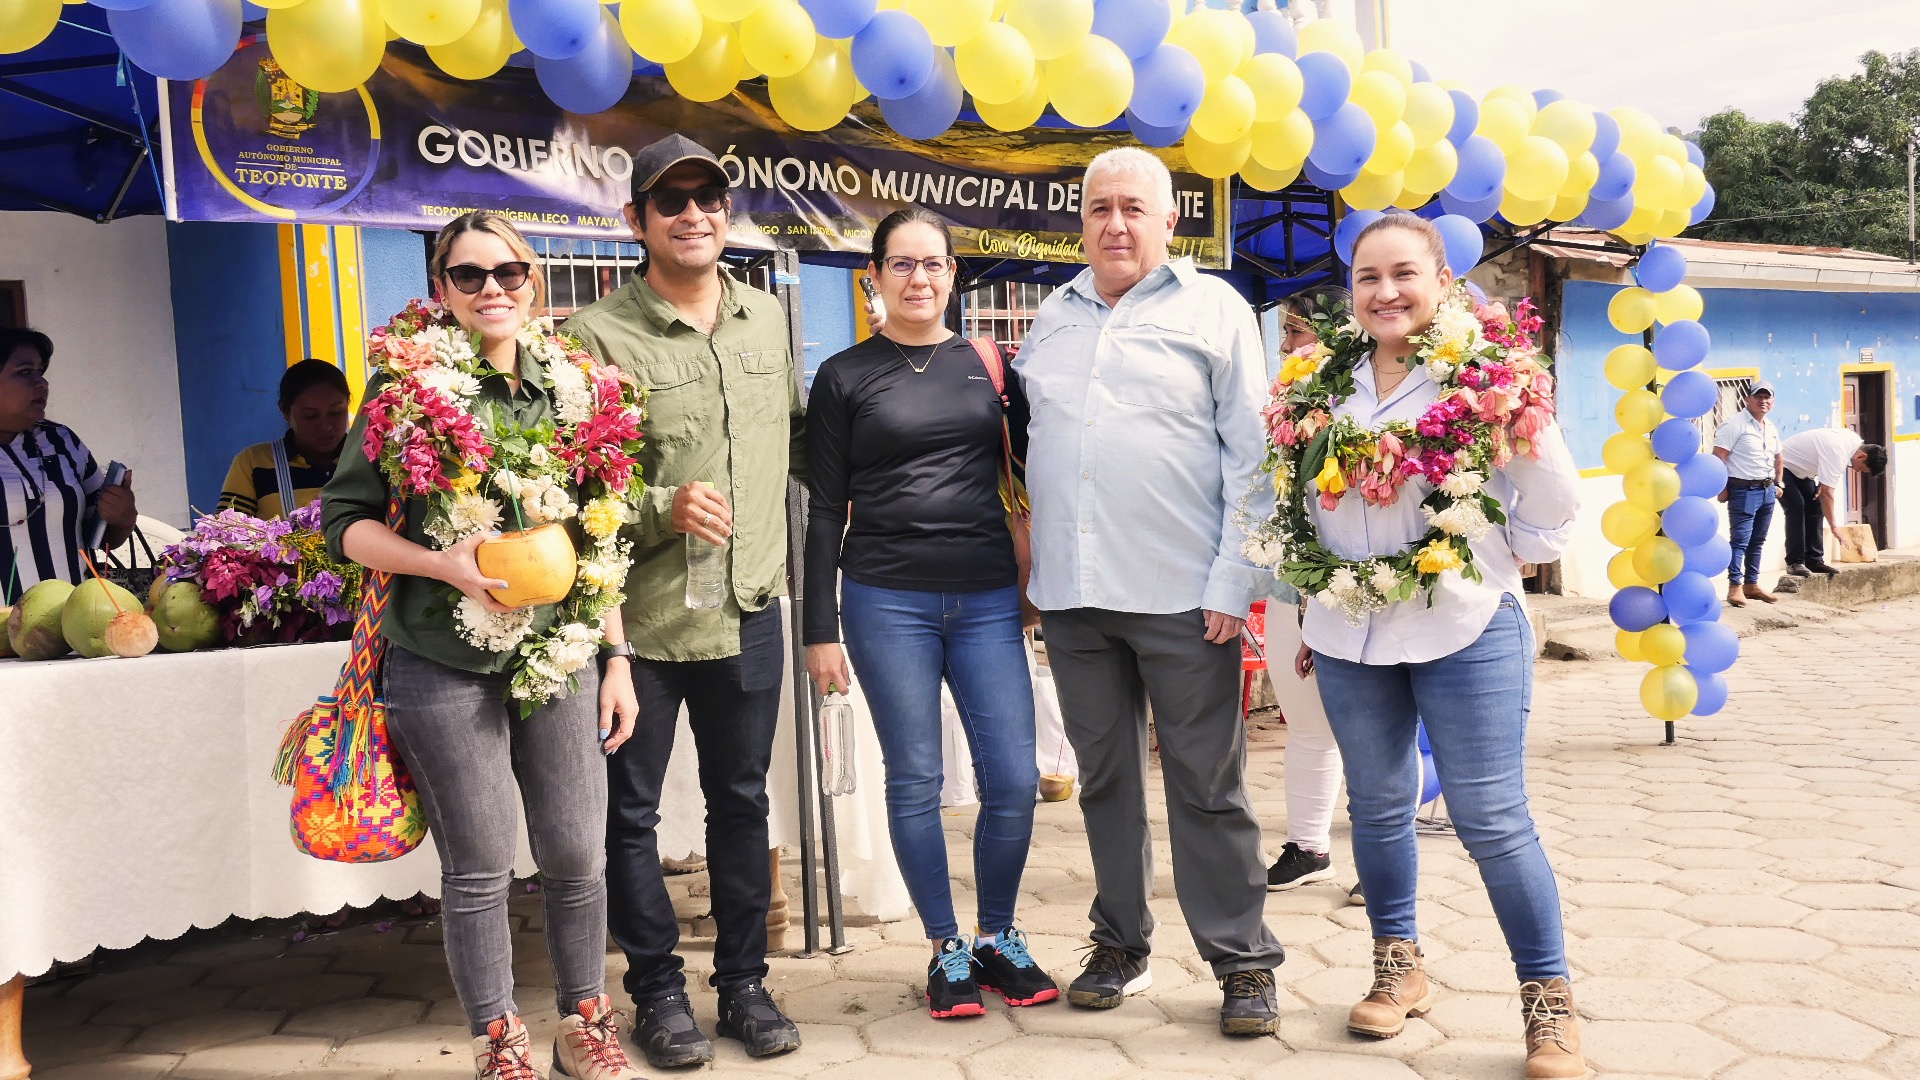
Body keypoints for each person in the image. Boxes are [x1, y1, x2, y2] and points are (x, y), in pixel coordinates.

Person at [322, 210, 644, 1080]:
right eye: (469, 276)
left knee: (578, 851)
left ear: (533, 281)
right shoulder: (402, 391)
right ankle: (497, 1035)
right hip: (440, 652)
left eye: (507, 272)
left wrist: (616, 658)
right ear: (442, 291)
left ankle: (586, 1018)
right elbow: (343, 524)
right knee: (481, 863)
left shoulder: (581, 386)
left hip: (563, 652)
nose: (491, 289)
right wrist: (442, 563)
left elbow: (600, 540)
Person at [1290, 215, 1584, 1078]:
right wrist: (1319, 593)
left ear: (1442, 278)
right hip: (1347, 629)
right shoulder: (1322, 382)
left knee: (1492, 818)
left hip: (1464, 626)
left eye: (1403, 273)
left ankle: (1548, 1000)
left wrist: (1489, 557)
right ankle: (1399, 968)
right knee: (1377, 810)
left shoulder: (1490, 379)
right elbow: (1305, 501)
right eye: (1367, 277)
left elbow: (1554, 500)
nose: (1385, 293)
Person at [1014, 147, 1285, 1038]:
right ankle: (1121, 943)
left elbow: (1253, 457)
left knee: (1209, 788)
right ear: (1080, 220)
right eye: (1099, 208)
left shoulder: (1216, 310)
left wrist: (1233, 581)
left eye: (1135, 207)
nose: (1116, 224)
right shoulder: (1052, 316)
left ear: (1172, 220)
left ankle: (1243, 959)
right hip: (1075, 596)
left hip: (1183, 596)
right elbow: (1031, 453)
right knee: (1105, 783)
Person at [565, 134, 806, 1068]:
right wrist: (663, 506)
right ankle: (657, 993)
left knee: (741, 803)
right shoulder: (596, 338)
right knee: (631, 815)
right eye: (673, 202)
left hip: (749, 608)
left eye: (710, 197)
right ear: (638, 222)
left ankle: (744, 985)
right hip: (643, 623)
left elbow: (792, 440)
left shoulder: (766, 321)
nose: (695, 214)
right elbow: (572, 488)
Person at [803, 207, 1058, 1020]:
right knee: (914, 776)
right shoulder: (844, 376)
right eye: (901, 264)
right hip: (884, 597)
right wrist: (818, 626)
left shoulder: (989, 364)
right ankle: (947, 947)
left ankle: (1000, 937)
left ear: (954, 274)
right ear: (872, 277)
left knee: (1013, 779)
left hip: (986, 597)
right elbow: (820, 510)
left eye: (934, 264)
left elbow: (1040, 469)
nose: (919, 278)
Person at [1264, 291, 1354, 900]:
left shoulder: (1362, 404)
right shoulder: (1282, 407)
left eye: (1301, 331)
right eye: (1288, 333)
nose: (1292, 345)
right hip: (1287, 583)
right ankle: (1307, 844)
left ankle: (1382, 866)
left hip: (1356, 588)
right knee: (1305, 721)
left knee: (1374, 733)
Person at [0, 327, 137, 600]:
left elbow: (98, 538)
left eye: (41, 371)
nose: (42, 383)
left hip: (73, 624)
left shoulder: (62, 441)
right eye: (25, 372)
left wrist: (123, 517)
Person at [219, 359, 352, 521]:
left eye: (336, 412)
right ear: (284, 411)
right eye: (310, 416)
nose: (325, 426)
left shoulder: (370, 459)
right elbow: (226, 536)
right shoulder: (253, 463)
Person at [1780, 426, 1885, 576]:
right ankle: (1794, 562)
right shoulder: (1839, 453)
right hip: (1782, 465)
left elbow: (1825, 485)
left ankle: (1814, 560)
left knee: (1815, 508)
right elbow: (1827, 494)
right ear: (1862, 456)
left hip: (1802, 472)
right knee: (1797, 506)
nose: (1856, 471)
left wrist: (1823, 486)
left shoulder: (1853, 441)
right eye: (1861, 469)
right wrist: (1834, 527)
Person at [1712, 381, 1782, 606]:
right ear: (1747, 399)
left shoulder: (1769, 426)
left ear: (1772, 401)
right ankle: (1735, 587)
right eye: (1758, 397)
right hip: (1743, 489)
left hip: (1767, 489)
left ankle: (1752, 584)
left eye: (1767, 398)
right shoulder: (1734, 425)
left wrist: (1779, 484)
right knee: (1740, 540)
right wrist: (1722, 488)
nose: (1763, 401)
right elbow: (1718, 457)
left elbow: (1778, 457)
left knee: (1758, 540)